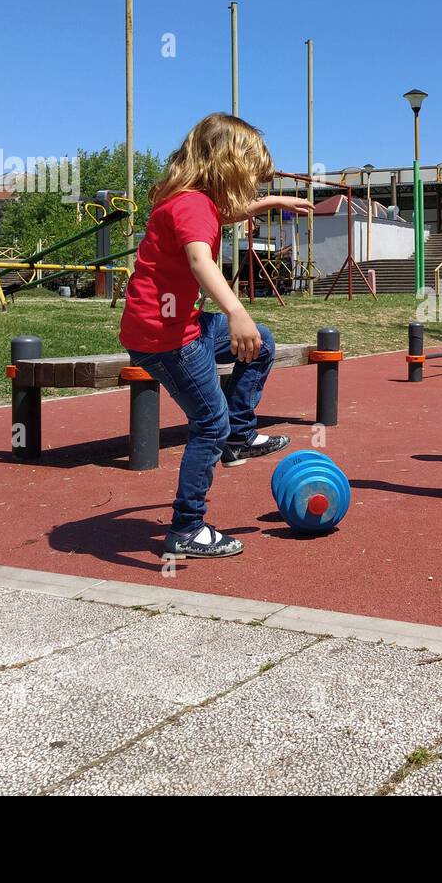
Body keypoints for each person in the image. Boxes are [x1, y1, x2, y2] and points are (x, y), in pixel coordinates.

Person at [119, 113, 313, 558]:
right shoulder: (192, 207)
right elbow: (199, 259)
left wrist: (268, 204)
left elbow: (222, 215)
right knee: (209, 423)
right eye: (250, 180)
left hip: (175, 324)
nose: (252, 190)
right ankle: (187, 527)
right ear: (226, 167)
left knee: (259, 343)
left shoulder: (187, 198)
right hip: (167, 337)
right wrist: (236, 311)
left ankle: (240, 435)